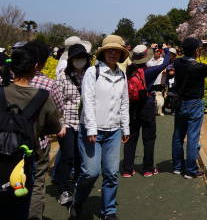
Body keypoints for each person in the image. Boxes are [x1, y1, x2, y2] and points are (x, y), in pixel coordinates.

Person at [69, 35, 130, 220]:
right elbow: (87, 101)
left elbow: (124, 102)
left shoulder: (121, 74)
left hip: (113, 131)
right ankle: (77, 201)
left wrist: (125, 127)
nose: (113, 53)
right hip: (91, 131)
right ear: (103, 53)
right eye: (109, 50)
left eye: (116, 50)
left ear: (121, 53)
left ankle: (109, 211)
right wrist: (92, 128)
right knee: (90, 172)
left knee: (111, 173)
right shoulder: (92, 72)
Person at [0, 46, 62, 220]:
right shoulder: (42, 96)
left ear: (11, 68)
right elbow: (54, 128)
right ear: (35, 67)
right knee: (29, 192)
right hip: (27, 156)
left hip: (2, 153)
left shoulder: (1, 91)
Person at [23, 41, 65, 220]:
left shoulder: (7, 81)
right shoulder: (49, 84)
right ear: (42, 62)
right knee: (37, 183)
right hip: (38, 142)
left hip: (9, 143)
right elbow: (58, 111)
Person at [122, 44, 171, 177]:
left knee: (131, 137)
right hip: (147, 104)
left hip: (132, 105)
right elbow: (166, 62)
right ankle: (148, 169)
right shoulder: (150, 71)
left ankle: (127, 170)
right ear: (146, 57)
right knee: (149, 138)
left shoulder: (128, 71)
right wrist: (165, 49)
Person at [171, 38, 207, 178]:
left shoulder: (177, 62)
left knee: (178, 135)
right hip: (194, 104)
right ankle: (191, 170)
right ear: (197, 51)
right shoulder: (198, 67)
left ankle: (177, 167)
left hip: (180, 103)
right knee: (193, 137)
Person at [54, 43, 91, 206]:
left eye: (82, 58)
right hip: (66, 122)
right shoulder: (63, 76)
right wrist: (59, 124)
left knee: (79, 157)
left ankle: (76, 185)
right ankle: (64, 189)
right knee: (68, 156)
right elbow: (57, 101)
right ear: (70, 60)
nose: (79, 61)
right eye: (76, 58)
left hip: (84, 123)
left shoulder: (90, 74)